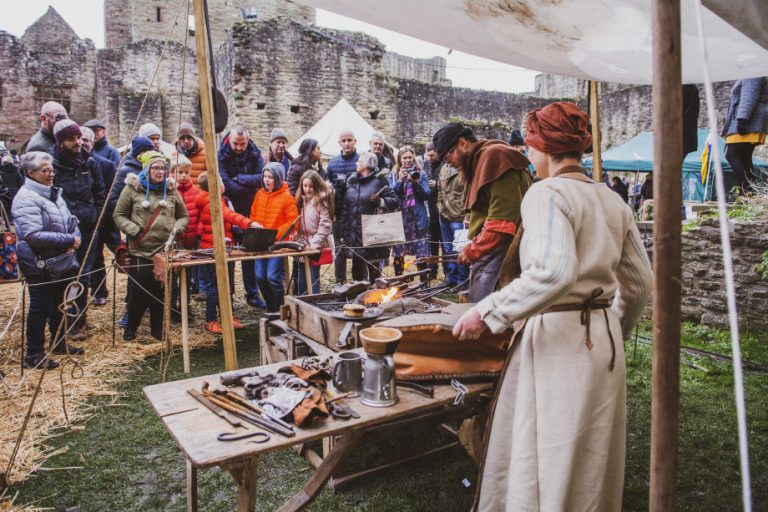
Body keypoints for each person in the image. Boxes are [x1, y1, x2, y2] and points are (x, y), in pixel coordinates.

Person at [453, 102, 652, 511]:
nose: (528, 157)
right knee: (591, 452)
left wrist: (487, 312)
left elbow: (553, 272)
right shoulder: (611, 199)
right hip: (603, 340)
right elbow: (640, 283)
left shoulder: (546, 193)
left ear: (542, 148)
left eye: (530, 148)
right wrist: (613, 326)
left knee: (549, 449)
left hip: (558, 341)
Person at [432, 122, 532, 302]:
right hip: (494, 253)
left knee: (488, 319)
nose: (452, 165)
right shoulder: (482, 158)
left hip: (503, 256)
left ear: (462, 143)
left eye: (449, 157)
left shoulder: (495, 158)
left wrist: (472, 250)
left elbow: (502, 224)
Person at [13, 152, 83, 368]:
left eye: (51, 169)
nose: (51, 173)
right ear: (31, 173)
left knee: (59, 303)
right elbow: (33, 235)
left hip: (60, 259)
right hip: (39, 262)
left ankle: (59, 342)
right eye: (45, 170)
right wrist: (68, 239)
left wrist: (75, 236)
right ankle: (34, 354)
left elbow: (69, 218)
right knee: (40, 307)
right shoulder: (26, 198)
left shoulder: (53, 194)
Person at [113, 151, 188, 341]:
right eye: (156, 167)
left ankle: (157, 328)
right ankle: (131, 327)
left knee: (162, 292)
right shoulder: (131, 189)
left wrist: (175, 230)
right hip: (141, 250)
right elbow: (118, 215)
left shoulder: (171, 190)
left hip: (165, 250)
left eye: (163, 168)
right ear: (147, 169)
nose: (160, 171)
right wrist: (134, 231)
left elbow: (183, 216)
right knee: (139, 292)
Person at [50, 120, 106, 339]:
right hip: (63, 232)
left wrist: (96, 217)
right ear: (61, 141)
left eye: (78, 138)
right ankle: (60, 323)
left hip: (88, 227)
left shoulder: (89, 163)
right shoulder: (52, 163)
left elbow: (99, 192)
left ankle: (77, 322)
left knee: (83, 275)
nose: (77, 143)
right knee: (63, 276)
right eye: (71, 139)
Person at [195, 173, 259, 333]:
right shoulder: (212, 201)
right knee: (215, 286)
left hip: (225, 248)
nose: (224, 183)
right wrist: (250, 224)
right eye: (221, 181)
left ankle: (227, 315)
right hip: (212, 249)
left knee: (228, 284)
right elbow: (230, 215)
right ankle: (210, 319)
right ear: (215, 185)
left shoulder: (219, 199)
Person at [217, 124, 267, 308]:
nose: (238, 148)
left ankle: (252, 294)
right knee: (229, 255)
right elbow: (226, 184)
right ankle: (228, 297)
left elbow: (261, 179)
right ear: (229, 140)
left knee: (251, 253)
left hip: (251, 209)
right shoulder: (221, 155)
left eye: (242, 144)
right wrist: (248, 185)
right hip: (229, 208)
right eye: (235, 144)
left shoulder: (255, 153)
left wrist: (240, 178)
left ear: (248, 141)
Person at [339, 152, 399, 283]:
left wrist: (380, 201)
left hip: (373, 236)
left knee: (374, 274)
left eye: (359, 161)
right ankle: (359, 299)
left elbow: (395, 200)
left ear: (367, 164)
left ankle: (377, 300)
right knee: (357, 272)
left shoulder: (379, 181)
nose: (356, 163)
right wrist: (342, 233)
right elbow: (345, 210)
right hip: (355, 236)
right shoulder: (352, 182)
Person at [249, 162, 299, 312]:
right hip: (260, 242)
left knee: (272, 277)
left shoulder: (286, 197)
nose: (266, 179)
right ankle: (271, 308)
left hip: (277, 244)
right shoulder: (259, 194)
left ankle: (280, 308)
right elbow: (253, 215)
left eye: (270, 177)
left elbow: (293, 221)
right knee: (259, 277)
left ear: (277, 178)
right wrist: (256, 228)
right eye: (265, 176)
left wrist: (275, 234)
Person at [80, 126, 120, 307]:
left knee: (122, 253)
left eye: (86, 140)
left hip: (108, 219)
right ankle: (99, 292)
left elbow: (112, 192)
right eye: (79, 140)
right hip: (88, 221)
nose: (82, 144)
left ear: (92, 142)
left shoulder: (106, 164)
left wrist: (107, 214)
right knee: (95, 258)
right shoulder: (72, 167)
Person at [722, 77, 767, 196]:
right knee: (744, 157)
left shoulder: (753, 72)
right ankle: (749, 193)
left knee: (732, 154)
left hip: (748, 120)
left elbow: (749, 95)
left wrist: (742, 118)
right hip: (750, 119)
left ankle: (746, 191)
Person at [391, 146, 431, 276]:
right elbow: (391, 195)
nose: (407, 160)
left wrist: (415, 182)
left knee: (421, 251)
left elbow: (426, 194)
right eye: (404, 158)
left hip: (417, 217)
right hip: (401, 217)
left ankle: (424, 283)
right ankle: (400, 281)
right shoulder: (394, 174)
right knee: (399, 251)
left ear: (413, 158)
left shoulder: (421, 173)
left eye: (410, 157)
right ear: (400, 159)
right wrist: (399, 181)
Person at [327, 129, 360, 285]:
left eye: (349, 140)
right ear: (339, 143)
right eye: (344, 140)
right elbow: (327, 188)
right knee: (339, 248)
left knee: (358, 248)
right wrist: (335, 187)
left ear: (355, 141)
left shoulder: (361, 161)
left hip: (357, 212)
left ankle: (359, 281)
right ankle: (339, 281)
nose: (347, 143)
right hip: (339, 212)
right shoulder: (333, 164)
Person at [294, 170, 334, 295]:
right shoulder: (301, 200)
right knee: (301, 274)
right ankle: (301, 300)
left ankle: (314, 301)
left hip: (316, 244)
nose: (308, 189)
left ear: (316, 186)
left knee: (312, 275)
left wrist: (313, 245)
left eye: (311, 186)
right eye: (305, 186)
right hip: (303, 243)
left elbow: (325, 226)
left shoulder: (321, 202)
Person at [171, 154, 201, 319]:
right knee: (172, 279)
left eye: (186, 172)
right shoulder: (168, 192)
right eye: (179, 172)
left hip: (190, 242)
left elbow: (199, 217)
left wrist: (198, 232)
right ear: (173, 172)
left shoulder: (195, 192)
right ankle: (172, 307)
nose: (183, 176)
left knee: (187, 278)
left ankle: (185, 306)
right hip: (175, 242)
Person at [437, 162, 469, 288]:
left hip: (459, 217)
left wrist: (468, 216)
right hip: (444, 215)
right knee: (448, 250)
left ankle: (462, 281)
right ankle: (451, 278)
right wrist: (440, 206)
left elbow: (469, 194)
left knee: (460, 249)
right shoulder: (444, 168)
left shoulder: (464, 168)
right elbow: (440, 189)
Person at [422, 142, 442, 278]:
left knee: (445, 244)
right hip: (430, 207)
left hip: (442, 208)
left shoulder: (445, 164)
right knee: (432, 243)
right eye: (428, 155)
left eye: (432, 154)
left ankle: (448, 271)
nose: (430, 157)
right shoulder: (426, 165)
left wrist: (437, 184)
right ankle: (433, 270)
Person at [0, 154, 25, 218]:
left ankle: (6, 219)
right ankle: (12, 218)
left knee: (5, 206)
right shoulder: (16, 170)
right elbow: (20, 182)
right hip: (14, 191)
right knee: (13, 205)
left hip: (3, 192)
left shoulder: (1, 171)